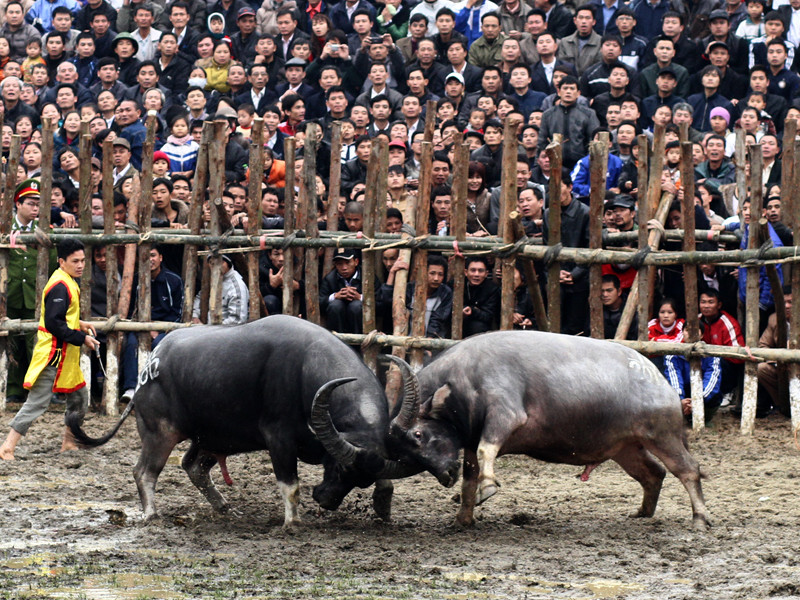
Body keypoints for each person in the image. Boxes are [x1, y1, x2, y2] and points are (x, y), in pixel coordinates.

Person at [0, 239, 100, 461]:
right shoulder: (60, 285)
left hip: (66, 356)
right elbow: (55, 323)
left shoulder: (68, 281)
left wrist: (79, 324)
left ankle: (69, 441)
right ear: (61, 261)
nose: (81, 265)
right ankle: (7, 447)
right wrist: (81, 337)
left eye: (83, 260)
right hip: (54, 355)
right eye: (75, 261)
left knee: (79, 397)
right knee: (37, 402)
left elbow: (61, 316)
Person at [7, 178, 56, 404]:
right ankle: (13, 389)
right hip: (9, 294)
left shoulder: (45, 231)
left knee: (34, 344)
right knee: (11, 343)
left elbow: (54, 262)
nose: (36, 208)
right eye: (31, 203)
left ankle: (36, 389)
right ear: (18, 203)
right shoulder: (5, 228)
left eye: (39, 204)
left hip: (34, 296)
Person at [120, 245, 183, 402]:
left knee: (159, 346)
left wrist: (160, 330)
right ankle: (130, 388)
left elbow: (178, 313)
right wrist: (144, 328)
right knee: (131, 344)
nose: (150, 260)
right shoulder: (135, 280)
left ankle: (156, 390)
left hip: (166, 328)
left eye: (153, 255)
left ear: (160, 258)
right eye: (146, 256)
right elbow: (130, 311)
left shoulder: (173, 280)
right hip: (140, 326)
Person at [462, 255, 499, 337]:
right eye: (473, 270)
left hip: (479, 329)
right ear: (465, 272)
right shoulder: (457, 284)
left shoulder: (492, 289)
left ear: (486, 274)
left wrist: (472, 310)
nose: (476, 274)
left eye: (480, 271)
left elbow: (488, 315)